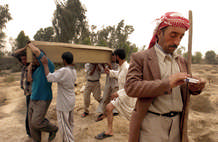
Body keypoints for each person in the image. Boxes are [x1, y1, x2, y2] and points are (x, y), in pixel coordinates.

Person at [124, 12, 206, 142]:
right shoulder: (141, 58)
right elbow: (131, 87)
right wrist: (167, 83)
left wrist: (196, 86)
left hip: (178, 125)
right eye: (173, 36)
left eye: (181, 37)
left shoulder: (182, 61)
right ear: (159, 33)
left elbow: (186, 90)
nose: (177, 42)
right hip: (151, 125)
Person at [95, 48, 136, 140]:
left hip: (128, 98)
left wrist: (118, 93)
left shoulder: (127, 68)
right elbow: (119, 75)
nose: (112, 59)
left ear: (117, 57)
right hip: (122, 96)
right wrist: (110, 72)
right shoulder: (122, 67)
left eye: (113, 56)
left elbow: (131, 86)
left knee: (133, 118)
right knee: (109, 108)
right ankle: (109, 131)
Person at [41, 52, 76, 142]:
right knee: (69, 124)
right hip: (71, 100)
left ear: (64, 60)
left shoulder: (64, 71)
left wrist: (45, 64)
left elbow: (49, 78)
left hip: (64, 103)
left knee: (64, 127)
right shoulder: (73, 70)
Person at [27, 41, 58, 142]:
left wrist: (30, 44)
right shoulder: (37, 69)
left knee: (36, 122)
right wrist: (29, 69)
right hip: (33, 98)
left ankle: (53, 129)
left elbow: (37, 52)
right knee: (31, 125)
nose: (34, 60)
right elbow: (29, 80)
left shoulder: (48, 64)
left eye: (35, 58)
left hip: (43, 98)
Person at [12, 46, 32, 137]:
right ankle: (30, 131)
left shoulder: (31, 65)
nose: (23, 61)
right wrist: (24, 48)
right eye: (22, 59)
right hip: (27, 93)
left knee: (30, 113)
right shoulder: (23, 65)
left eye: (25, 59)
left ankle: (30, 132)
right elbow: (14, 54)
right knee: (30, 112)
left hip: (32, 93)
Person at [96, 52, 119, 122]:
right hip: (108, 83)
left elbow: (116, 74)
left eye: (114, 56)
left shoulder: (119, 65)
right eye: (112, 57)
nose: (113, 58)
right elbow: (103, 71)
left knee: (114, 99)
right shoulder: (108, 65)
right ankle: (103, 112)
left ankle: (113, 112)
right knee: (105, 97)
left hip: (115, 84)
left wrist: (110, 67)